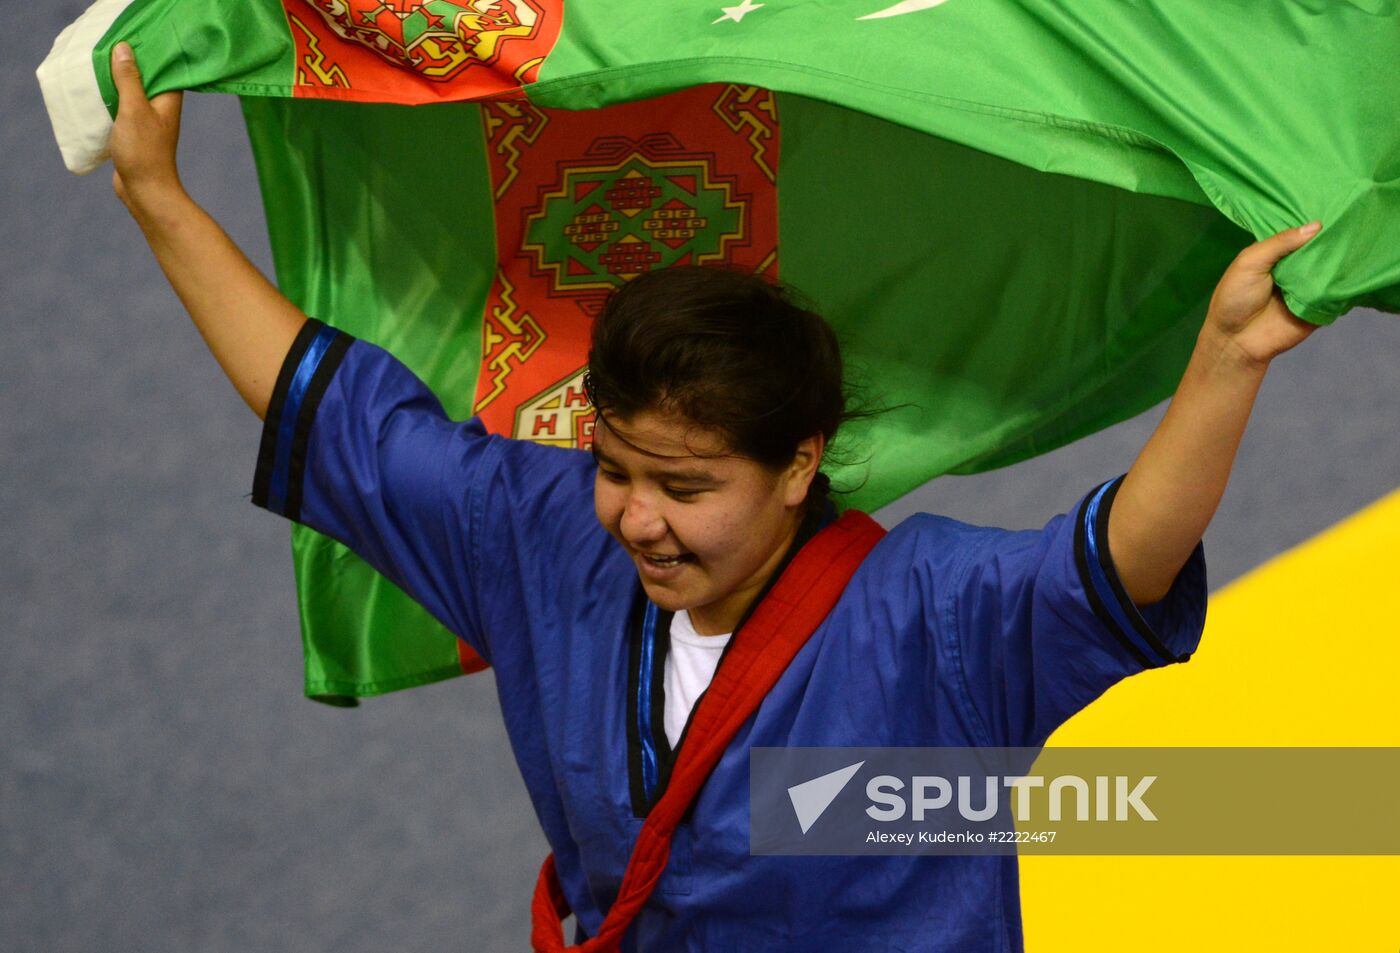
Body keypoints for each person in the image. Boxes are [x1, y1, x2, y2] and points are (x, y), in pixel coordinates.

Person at [106, 40, 1323, 953]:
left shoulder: (926, 618)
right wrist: (161, 200)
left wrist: (1220, 362)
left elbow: (1120, 562)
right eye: (615, 466)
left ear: (798, 465)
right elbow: (342, 418)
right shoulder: (540, 537)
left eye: (685, 486)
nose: (636, 515)